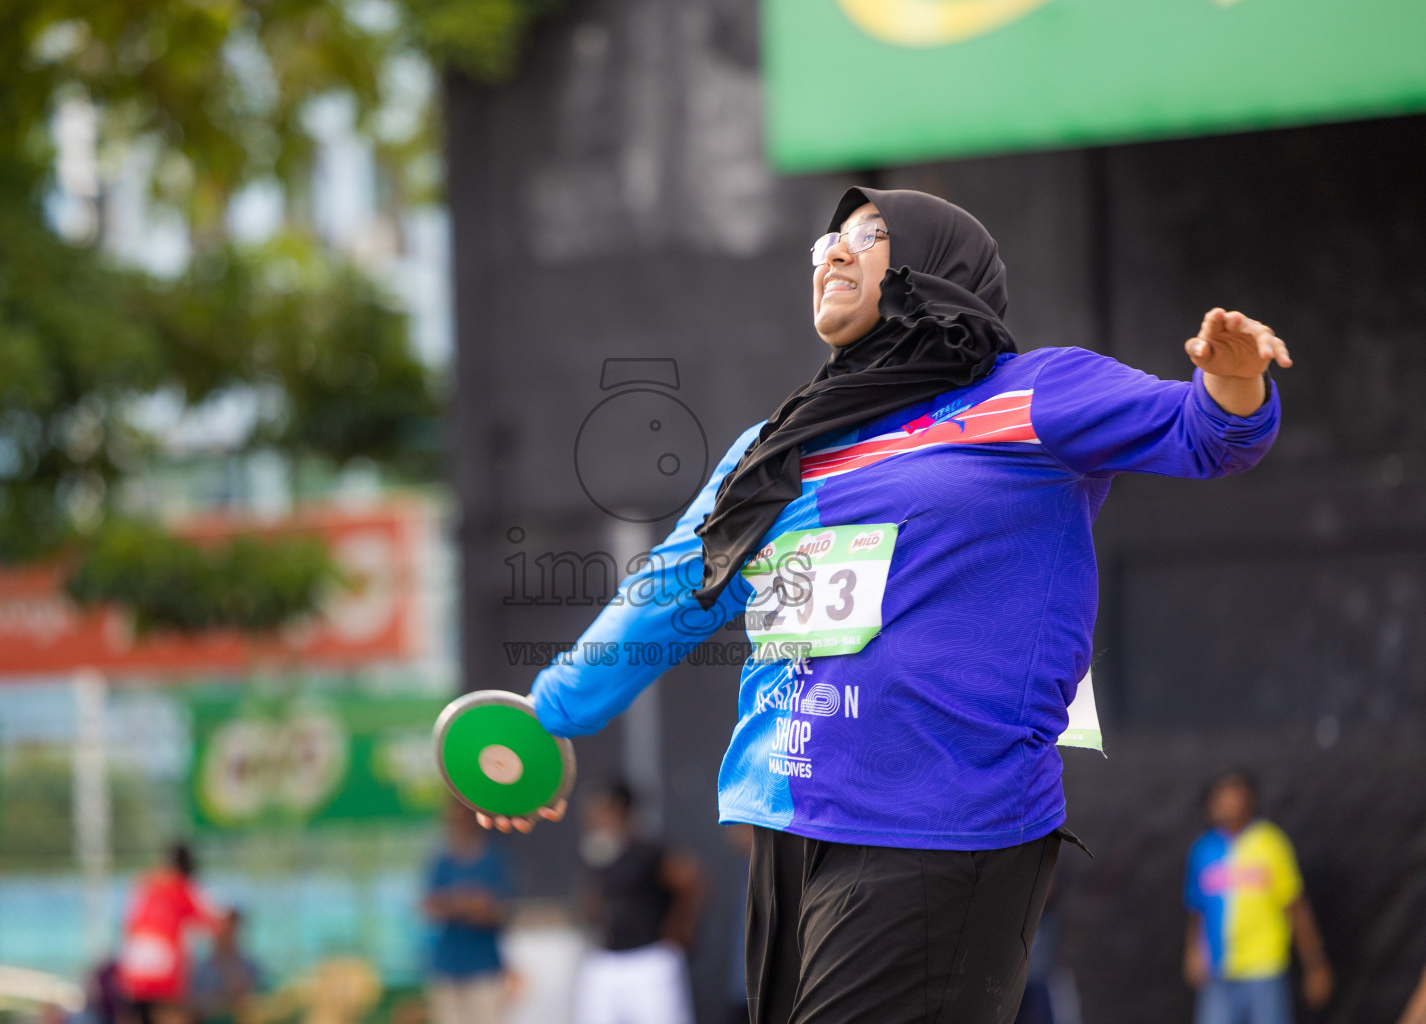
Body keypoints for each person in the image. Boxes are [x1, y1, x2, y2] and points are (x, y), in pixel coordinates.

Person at [489, 187, 1291, 1022]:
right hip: (785, 824)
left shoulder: (1034, 396)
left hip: (942, 828)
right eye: (823, 243)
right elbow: (668, 591)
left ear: (933, 270)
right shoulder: (775, 449)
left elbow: (1208, 434)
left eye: (866, 237)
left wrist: (1233, 382)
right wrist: (548, 714)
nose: (832, 253)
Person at [1184, 771, 1333, 1024]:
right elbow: (1197, 908)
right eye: (1221, 798)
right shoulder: (1203, 849)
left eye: (1234, 796)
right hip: (1219, 972)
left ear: (1248, 800)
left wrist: (1315, 964)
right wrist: (1192, 951)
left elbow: (1295, 906)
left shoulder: (1271, 843)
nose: (1228, 805)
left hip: (1264, 969)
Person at [572, 781, 705, 1024]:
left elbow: (692, 882)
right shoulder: (595, 854)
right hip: (605, 960)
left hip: (650, 960)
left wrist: (679, 931)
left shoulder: (649, 851)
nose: (596, 817)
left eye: (604, 809)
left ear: (623, 810)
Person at [423, 799, 513, 1024]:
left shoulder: (493, 859)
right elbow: (431, 907)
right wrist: (470, 901)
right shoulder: (441, 861)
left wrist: (453, 903)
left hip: (484, 967)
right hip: (447, 966)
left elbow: (495, 910)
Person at [119, 841, 225, 1024]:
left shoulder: (144, 884)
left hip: (133, 974)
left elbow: (128, 925)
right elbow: (215, 925)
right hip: (165, 976)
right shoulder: (184, 887)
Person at [189, 908, 263, 1024]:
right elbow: (193, 1008)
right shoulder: (200, 971)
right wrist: (228, 1001)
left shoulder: (252, 966)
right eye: (225, 926)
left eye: (233, 926)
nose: (230, 931)